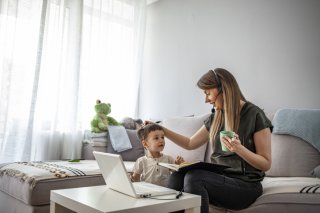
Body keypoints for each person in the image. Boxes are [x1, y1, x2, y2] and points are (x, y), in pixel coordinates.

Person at [149, 68, 273, 213]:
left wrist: (239, 149)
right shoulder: (216, 117)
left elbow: (266, 163)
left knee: (195, 178)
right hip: (220, 179)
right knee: (177, 176)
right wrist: (161, 129)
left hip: (246, 186)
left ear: (223, 88)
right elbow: (190, 143)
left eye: (208, 93)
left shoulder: (254, 114)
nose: (206, 99)